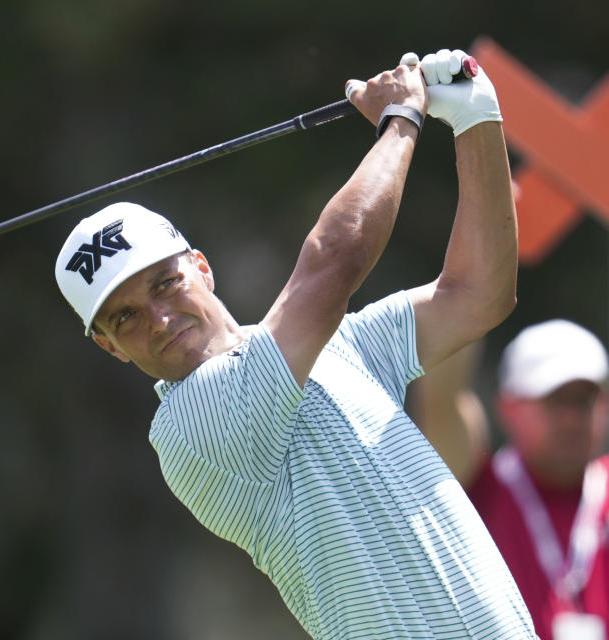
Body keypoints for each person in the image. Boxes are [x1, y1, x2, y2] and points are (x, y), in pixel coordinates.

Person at [55, 49, 535, 639]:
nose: (157, 318)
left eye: (166, 282)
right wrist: (402, 121)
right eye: (126, 316)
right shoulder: (192, 426)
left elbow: (477, 295)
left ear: (202, 269)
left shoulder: (340, 347)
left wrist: (475, 120)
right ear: (109, 347)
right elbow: (332, 263)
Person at [412, 321, 609, 640]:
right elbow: (441, 400)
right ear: (509, 407)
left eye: (584, 401)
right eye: (556, 401)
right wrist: (474, 289)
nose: (573, 419)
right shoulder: (480, 487)